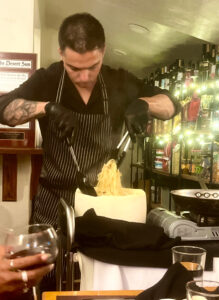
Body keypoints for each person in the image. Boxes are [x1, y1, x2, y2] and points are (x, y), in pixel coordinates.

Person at [0, 12, 180, 291]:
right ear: (61, 54)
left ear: (103, 51)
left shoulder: (119, 80)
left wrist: (144, 104)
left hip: (103, 210)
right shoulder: (48, 80)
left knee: (100, 283)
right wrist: (45, 107)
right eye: (74, 68)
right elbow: (5, 109)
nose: (84, 77)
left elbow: (171, 104)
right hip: (54, 206)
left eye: (93, 66)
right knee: (47, 281)